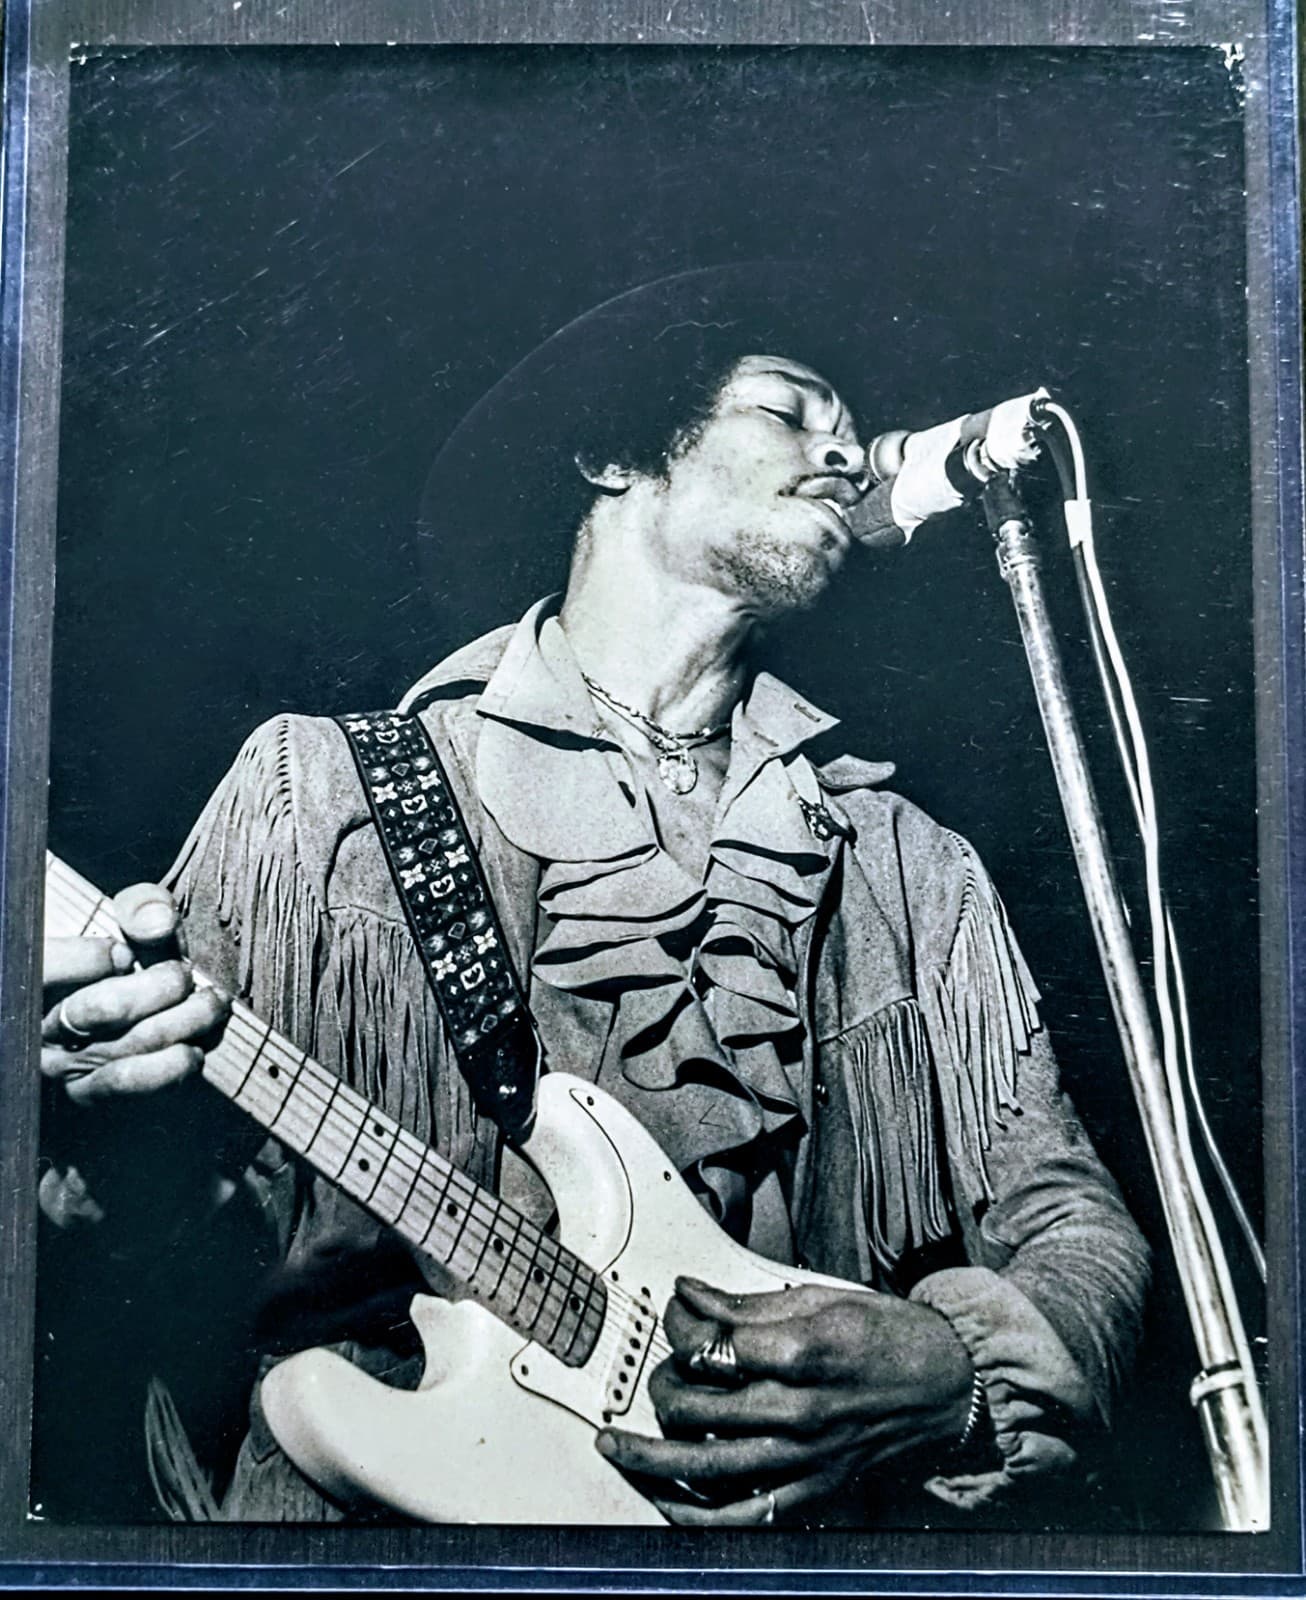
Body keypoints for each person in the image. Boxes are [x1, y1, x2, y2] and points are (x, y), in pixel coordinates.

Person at [37, 279, 1150, 1527]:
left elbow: (1068, 1218)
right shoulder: (329, 789)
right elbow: (152, 1243)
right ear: (616, 453)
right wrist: (110, 1142)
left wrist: (958, 1370)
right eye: (791, 409)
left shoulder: (908, 860)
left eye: (850, 425)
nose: (846, 449)